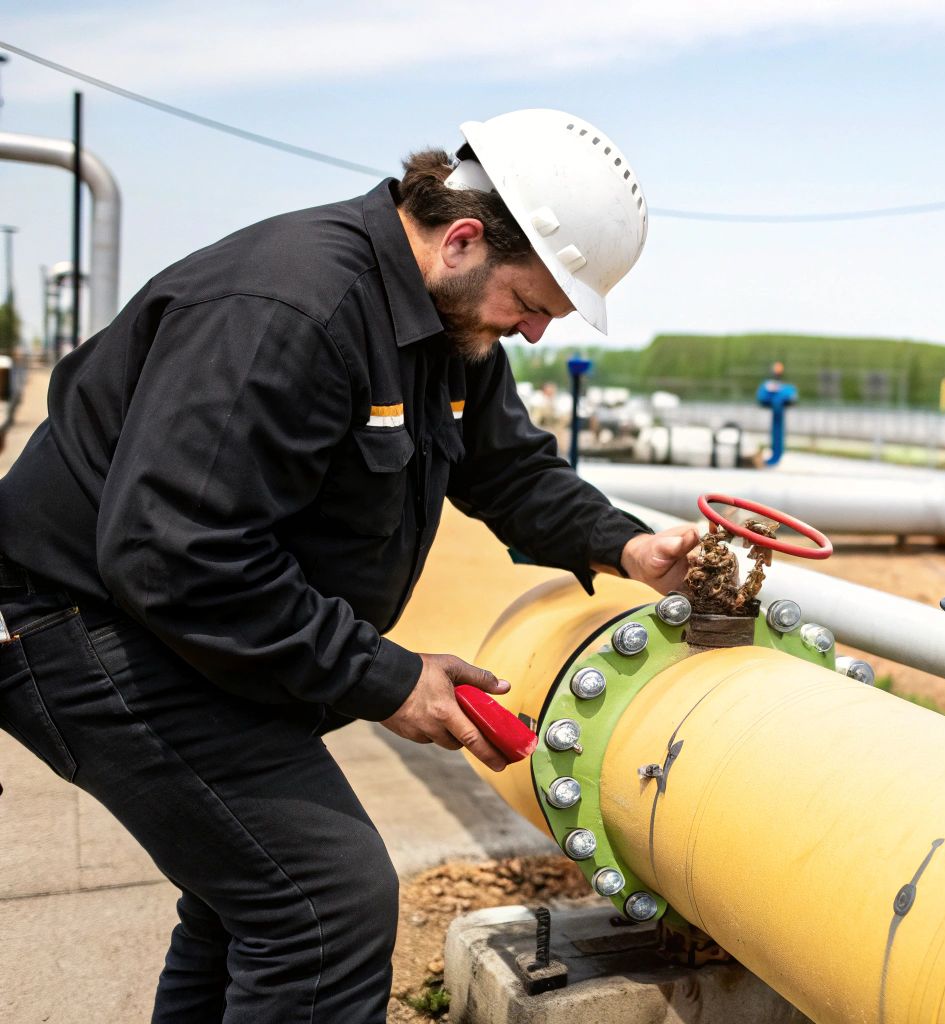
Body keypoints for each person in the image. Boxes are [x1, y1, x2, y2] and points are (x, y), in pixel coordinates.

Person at [0, 108, 698, 1023]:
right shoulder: (292, 309)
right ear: (462, 239)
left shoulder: (449, 327)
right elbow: (175, 551)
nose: (531, 334)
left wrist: (627, 545)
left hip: (175, 623)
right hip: (88, 623)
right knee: (324, 906)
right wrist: (389, 679)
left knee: (248, 905)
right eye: (531, 306)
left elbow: (506, 466)